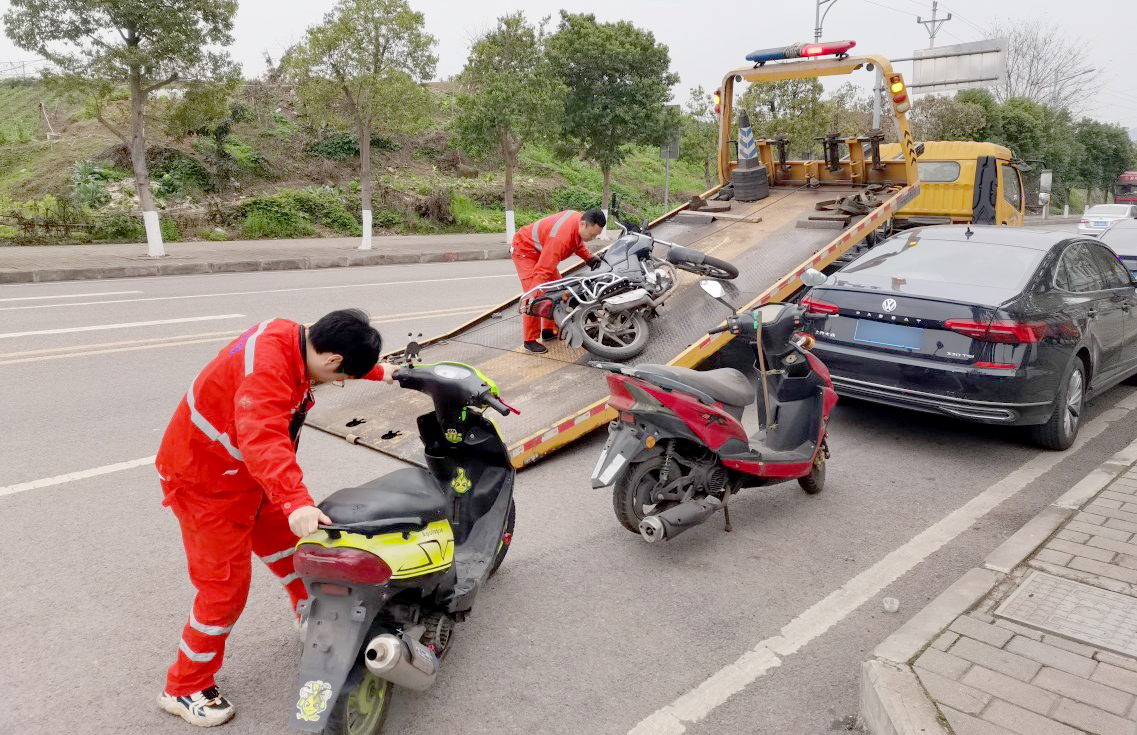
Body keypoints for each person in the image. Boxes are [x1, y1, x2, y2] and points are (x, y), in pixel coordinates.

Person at [155, 309, 398, 727]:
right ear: (333, 360)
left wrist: (382, 373)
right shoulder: (267, 374)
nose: (337, 382)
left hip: (248, 478)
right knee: (223, 592)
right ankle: (184, 686)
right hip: (206, 484)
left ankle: (312, 614)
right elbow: (263, 437)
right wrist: (297, 501)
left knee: (292, 550)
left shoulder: (294, 336)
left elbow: (268, 440)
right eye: (341, 377)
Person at [512, 207, 606, 353]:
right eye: (592, 235)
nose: (592, 239)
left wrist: (589, 258)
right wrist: (535, 292)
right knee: (536, 293)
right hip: (526, 251)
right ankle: (529, 340)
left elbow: (577, 242)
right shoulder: (560, 239)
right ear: (583, 224)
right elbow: (543, 270)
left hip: (542, 250)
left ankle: (548, 331)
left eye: (596, 236)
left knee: (557, 289)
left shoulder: (577, 221)